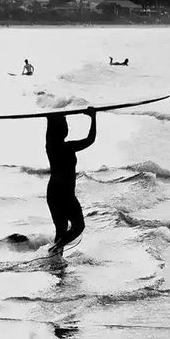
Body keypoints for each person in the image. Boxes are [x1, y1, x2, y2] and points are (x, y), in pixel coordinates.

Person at [45, 107, 97, 251]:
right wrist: (93, 117)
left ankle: (56, 256)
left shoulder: (59, 146)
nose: (67, 128)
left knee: (65, 229)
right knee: (76, 226)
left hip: (59, 193)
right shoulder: (61, 147)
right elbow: (90, 139)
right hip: (62, 194)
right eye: (65, 124)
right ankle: (56, 251)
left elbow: (90, 139)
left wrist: (93, 117)